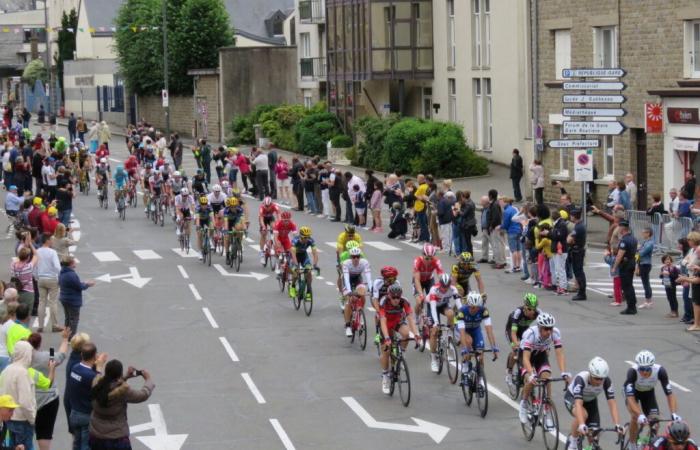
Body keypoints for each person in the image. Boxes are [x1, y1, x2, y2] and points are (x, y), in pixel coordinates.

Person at [89, 360, 155, 450]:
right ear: (119, 374)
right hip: (116, 439)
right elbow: (142, 395)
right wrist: (148, 380)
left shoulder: (96, 384)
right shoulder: (123, 392)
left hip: (96, 437)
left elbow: (109, 386)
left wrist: (126, 376)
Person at [518, 313, 571, 424]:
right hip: (526, 357)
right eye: (546, 329)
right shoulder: (530, 334)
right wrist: (531, 374)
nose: (549, 331)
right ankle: (523, 404)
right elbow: (526, 358)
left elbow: (559, 353)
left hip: (540, 355)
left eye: (550, 328)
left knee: (547, 377)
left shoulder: (555, 333)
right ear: (539, 327)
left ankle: (547, 409)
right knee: (531, 380)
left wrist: (563, 372)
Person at [624, 350, 682, 450]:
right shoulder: (632, 372)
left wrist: (674, 413)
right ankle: (632, 445)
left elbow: (669, 394)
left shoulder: (660, 371)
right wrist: (640, 415)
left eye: (647, 369)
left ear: (652, 366)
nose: (644, 372)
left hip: (648, 393)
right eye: (641, 369)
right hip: (634, 394)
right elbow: (630, 398)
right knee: (635, 417)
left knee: (655, 421)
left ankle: (648, 443)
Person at [564, 357, 622, 450]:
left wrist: (617, 424)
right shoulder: (581, 379)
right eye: (596, 378)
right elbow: (578, 403)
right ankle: (573, 442)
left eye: (601, 379)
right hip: (572, 398)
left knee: (594, 435)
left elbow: (612, 403)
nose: (599, 381)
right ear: (590, 374)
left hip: (590, 401)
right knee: (583, 415)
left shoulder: (606, 381)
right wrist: (582, 424)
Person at [28, 330, 68, 450]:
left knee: (26, 431)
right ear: (39, 344)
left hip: (29, 398)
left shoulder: (20, 359)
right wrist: (65, 339)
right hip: (48, 399)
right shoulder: (47, 357)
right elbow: (61, 355)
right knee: (45, 433)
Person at [378, 284, 421, 394]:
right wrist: (387, 338)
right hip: (386, 324)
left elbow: (410, 318)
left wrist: (416, 334)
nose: (396, 300)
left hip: (397, 322)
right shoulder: (383, 302)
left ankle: (402, 353)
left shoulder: (404, 301)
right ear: (389, 296)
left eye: (398, 297)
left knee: (406, 334)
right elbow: (382, 321)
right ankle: (385, 376)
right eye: (394, 297)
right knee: (386, 351)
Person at [66, 342, 106, 450]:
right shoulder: (92, 376)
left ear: (81, 355)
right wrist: (100, 367)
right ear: (94, 356)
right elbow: (101, 388)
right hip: (86, 415)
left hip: (74, 413)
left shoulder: (75, 368)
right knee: (86, 446)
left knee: (76, 444)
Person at [0, 341, 38, 449]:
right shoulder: (22, 373)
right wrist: (32, 418)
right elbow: (25, 401)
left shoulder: (6, 370)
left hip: (8, 418)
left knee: (12, 446)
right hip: (23, 420)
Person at [505, 293, 540, 386]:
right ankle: (509, 371)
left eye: (534, 309)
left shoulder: (538, 313)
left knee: (529, 349)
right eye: (529, 309)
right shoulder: (518, 313)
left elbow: (542, 328)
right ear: (525, 306)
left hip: (524, 329)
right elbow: (513, 333)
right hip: (512, 329)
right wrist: (517, 345)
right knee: (515, 350)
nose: (532, 311)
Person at [58, 256, 95, 338]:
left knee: (67, 318)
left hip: (64, 298)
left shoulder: (62, 272)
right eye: (74, 262)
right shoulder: (71, 274)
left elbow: (73, 284)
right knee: (74, 319)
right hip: (72, 300)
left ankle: (66, 335)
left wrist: (82, 283)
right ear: (71, 264)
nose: (75, 263)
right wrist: (88, 284)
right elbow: (79, 287)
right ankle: (71, 337)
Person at [341, 248, 372, 337]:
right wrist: (349, 292)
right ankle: (347, 326)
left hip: (358, 279)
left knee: (362, 294)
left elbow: (368, 277)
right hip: (348, 280)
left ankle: (359, 313)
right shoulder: (346, 263)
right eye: (354, 257)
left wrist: (371, 289)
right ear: (351, 257)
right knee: (348, 300)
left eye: (358, 257)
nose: (356, 259)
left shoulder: (364, 262)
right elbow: (346, 279)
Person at [35, 235, 63, 333]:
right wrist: (59, 276)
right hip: (52, 279)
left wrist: (36, 276)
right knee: (53, 302)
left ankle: (40, 325)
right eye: (51, 239)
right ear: (47, 241)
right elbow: (57, 266)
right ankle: (55, 325)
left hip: (41, 278)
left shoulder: (37, 251)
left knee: (42, 302)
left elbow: (34, 266)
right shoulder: (52, 252)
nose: (52, 241)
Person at [614, 221, 639, 315]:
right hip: (631, 263)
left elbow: (619, 255)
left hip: (625, 265)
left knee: (626, 286)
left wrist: (614, 266)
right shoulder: (634, 239)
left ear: (623, 229)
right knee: (630, 285)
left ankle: (631, 307)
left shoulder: (624, 240)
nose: (618, 229)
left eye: (619, 227)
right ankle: (632, 305)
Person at [288, 227, 319, 300]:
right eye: (305, 237)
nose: (307, 239)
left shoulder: (311, 240)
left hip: (303, 255)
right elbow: (293, 253)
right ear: (301, 236)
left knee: (308, 271)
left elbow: (315, 253)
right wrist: (296, 265)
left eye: (308, 237)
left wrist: (315, 264)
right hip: (295, 255)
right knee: (295, 271)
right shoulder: (295, 240)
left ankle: (308, 292)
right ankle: (292, 287)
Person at [568, 209, 587, 301]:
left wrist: (569, 238)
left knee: (578, 272)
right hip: (578, 250)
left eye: (571, 215)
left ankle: (582, 293)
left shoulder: (578, 227)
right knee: (579, 272)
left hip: (577, 251)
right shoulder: (580, 225)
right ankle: (581, 292)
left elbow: (569, 240)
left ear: (574, 216)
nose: (570, 217)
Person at [502, 197, 522, 272]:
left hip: (511, 231)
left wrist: (500, 227)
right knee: (518, 249)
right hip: (518, 230)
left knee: (513, 250)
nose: (500, 203)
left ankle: (515, 267)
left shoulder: (507, 211)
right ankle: (519, 266)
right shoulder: (514, 209)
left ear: (506, 202)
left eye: (501, 202)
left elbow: (506, 223)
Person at [487, 190, 506, 269]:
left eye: (489, 195)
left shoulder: (494, 205)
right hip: (498, 226)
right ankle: (502, 261)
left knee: (498, 245)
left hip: (496, 227)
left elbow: (495, 217)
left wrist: (491, 225)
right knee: (500, 244)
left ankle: (500, 262)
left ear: (491, 196)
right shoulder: (496, 204)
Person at [638, 227, 655, 309]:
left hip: (645, 264)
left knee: (646, 283)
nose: (642, 234)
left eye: (644, 232)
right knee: (645, 282)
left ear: (648, 233)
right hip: (643, 263)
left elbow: (641, 252)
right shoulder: (645, 242)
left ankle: (648, 301)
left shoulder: (650, 243)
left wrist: (637, 251)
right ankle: (648, 300)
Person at [413, 174, 430, 243]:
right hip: (423, 206)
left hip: (420, 207)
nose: (417, 180)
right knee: (423, 223)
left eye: (418, 178)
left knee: (422, 223)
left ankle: (425, 238)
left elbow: (415, 195)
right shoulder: (426, 186)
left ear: (421, 179)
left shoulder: (421, 187)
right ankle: (422, 237)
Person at [478, 196, 492, 263]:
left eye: (481, 201)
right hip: (484, 228)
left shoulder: (490, 208)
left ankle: (495, 258)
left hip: (488, 228)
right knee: (484, 244)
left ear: (485, 202)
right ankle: (484, 257)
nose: (480, 203)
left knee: (493, 244)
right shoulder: (484, 208)